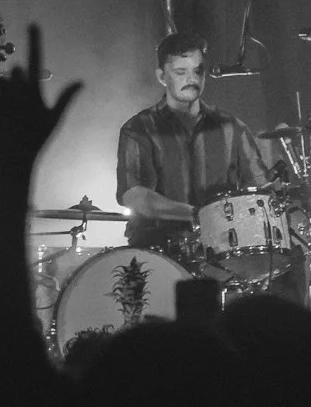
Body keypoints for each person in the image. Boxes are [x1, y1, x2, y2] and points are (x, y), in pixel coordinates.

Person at [116, 32, 270, 255]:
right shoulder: (138, 129)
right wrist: (200, 214)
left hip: (221, 251)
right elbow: (134, 196)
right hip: (156, 253)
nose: (192, 79)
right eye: (181, 72)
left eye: (198, 71)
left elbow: (260, 191)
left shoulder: (232, 128)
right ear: (162, 76)